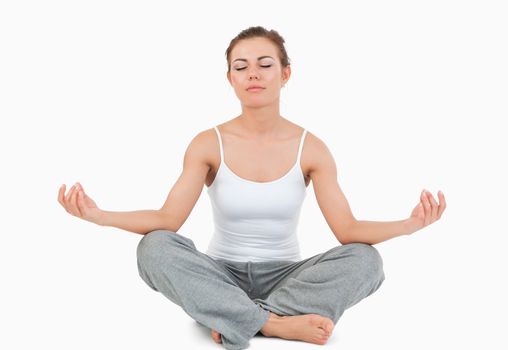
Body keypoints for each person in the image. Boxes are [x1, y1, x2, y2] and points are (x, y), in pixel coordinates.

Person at [58, 26, 446, 350]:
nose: (253, 74)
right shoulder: (207, 143)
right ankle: (272, 323)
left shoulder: (311, 148)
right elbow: (167, 220)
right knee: (154, 248)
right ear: (230, 78)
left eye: (265, 64)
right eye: (241, 67)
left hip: (289, 276)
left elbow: (348, 231)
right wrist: (99, 216)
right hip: (219, 272)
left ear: (286, 73)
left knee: (366, 262)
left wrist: (409, 224)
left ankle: (232, 316)